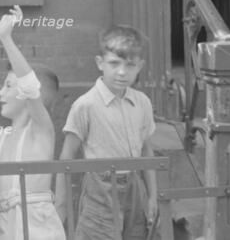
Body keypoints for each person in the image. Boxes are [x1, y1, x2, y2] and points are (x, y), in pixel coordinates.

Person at [55, 25, 157, 240]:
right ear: (100, 63)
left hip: (134, 186)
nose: (122, 71)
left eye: (130, 65)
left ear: (140, 66)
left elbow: (147, 152)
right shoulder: (85, 105)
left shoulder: (142, 103)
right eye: (114, 63)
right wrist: (60, 208)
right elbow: (66, 157)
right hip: (100, 189)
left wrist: (152, 197)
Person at [0, 5, 66, 240]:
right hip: (7, 225)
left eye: (7, 86)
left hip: (37, 225)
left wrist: (5, 38)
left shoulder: (41, 130)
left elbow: (30, 87)